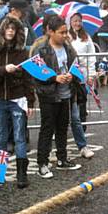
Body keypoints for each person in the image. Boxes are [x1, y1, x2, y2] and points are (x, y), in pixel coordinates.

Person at [0, 16, 36, 188]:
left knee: (20, 138)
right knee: (0, 137)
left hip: (18, 99)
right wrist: (3, 70)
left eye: (13, 29)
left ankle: (22, 174)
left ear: (17, 32)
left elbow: (28, 79)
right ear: (1, 30)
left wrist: (30, 102)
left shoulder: (22, 53)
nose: (10, 31)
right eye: (7, 28)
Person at [34, 16, 82, 179]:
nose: (65, 35)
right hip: (48, 95)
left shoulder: (68, 48)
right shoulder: (42, 49)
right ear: (50, 32)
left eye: (66, 31)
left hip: (66, 93)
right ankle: (42, 163)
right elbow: (35, 73)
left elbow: (76, 65)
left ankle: (62, 159)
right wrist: (54, 78)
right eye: (61, 32)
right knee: (47, 129)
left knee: (63, 127)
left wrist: (71, 76)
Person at [68, 13, 96, 159]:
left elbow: (92, 57)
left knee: (82, 102)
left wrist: (91, 75)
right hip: (70, 74)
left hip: (83, 74)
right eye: (74, 21)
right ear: (70, 22)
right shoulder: (66, 36)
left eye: (79, 21)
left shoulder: (87, 37)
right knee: (69, 103)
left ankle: (82, 129)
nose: (77, 24)